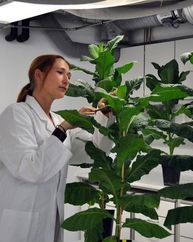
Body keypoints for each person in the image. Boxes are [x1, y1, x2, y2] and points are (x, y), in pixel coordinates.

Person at [0, 54, 113, 242]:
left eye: (69, 75)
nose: (67, 79)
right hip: (20, 222)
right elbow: (32, 170)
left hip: (49, 219)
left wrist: (105, 116)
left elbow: (95, 153)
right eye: (60, 72)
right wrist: (62, 129)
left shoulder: (58, 120)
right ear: (39, 74)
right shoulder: (16, 114)